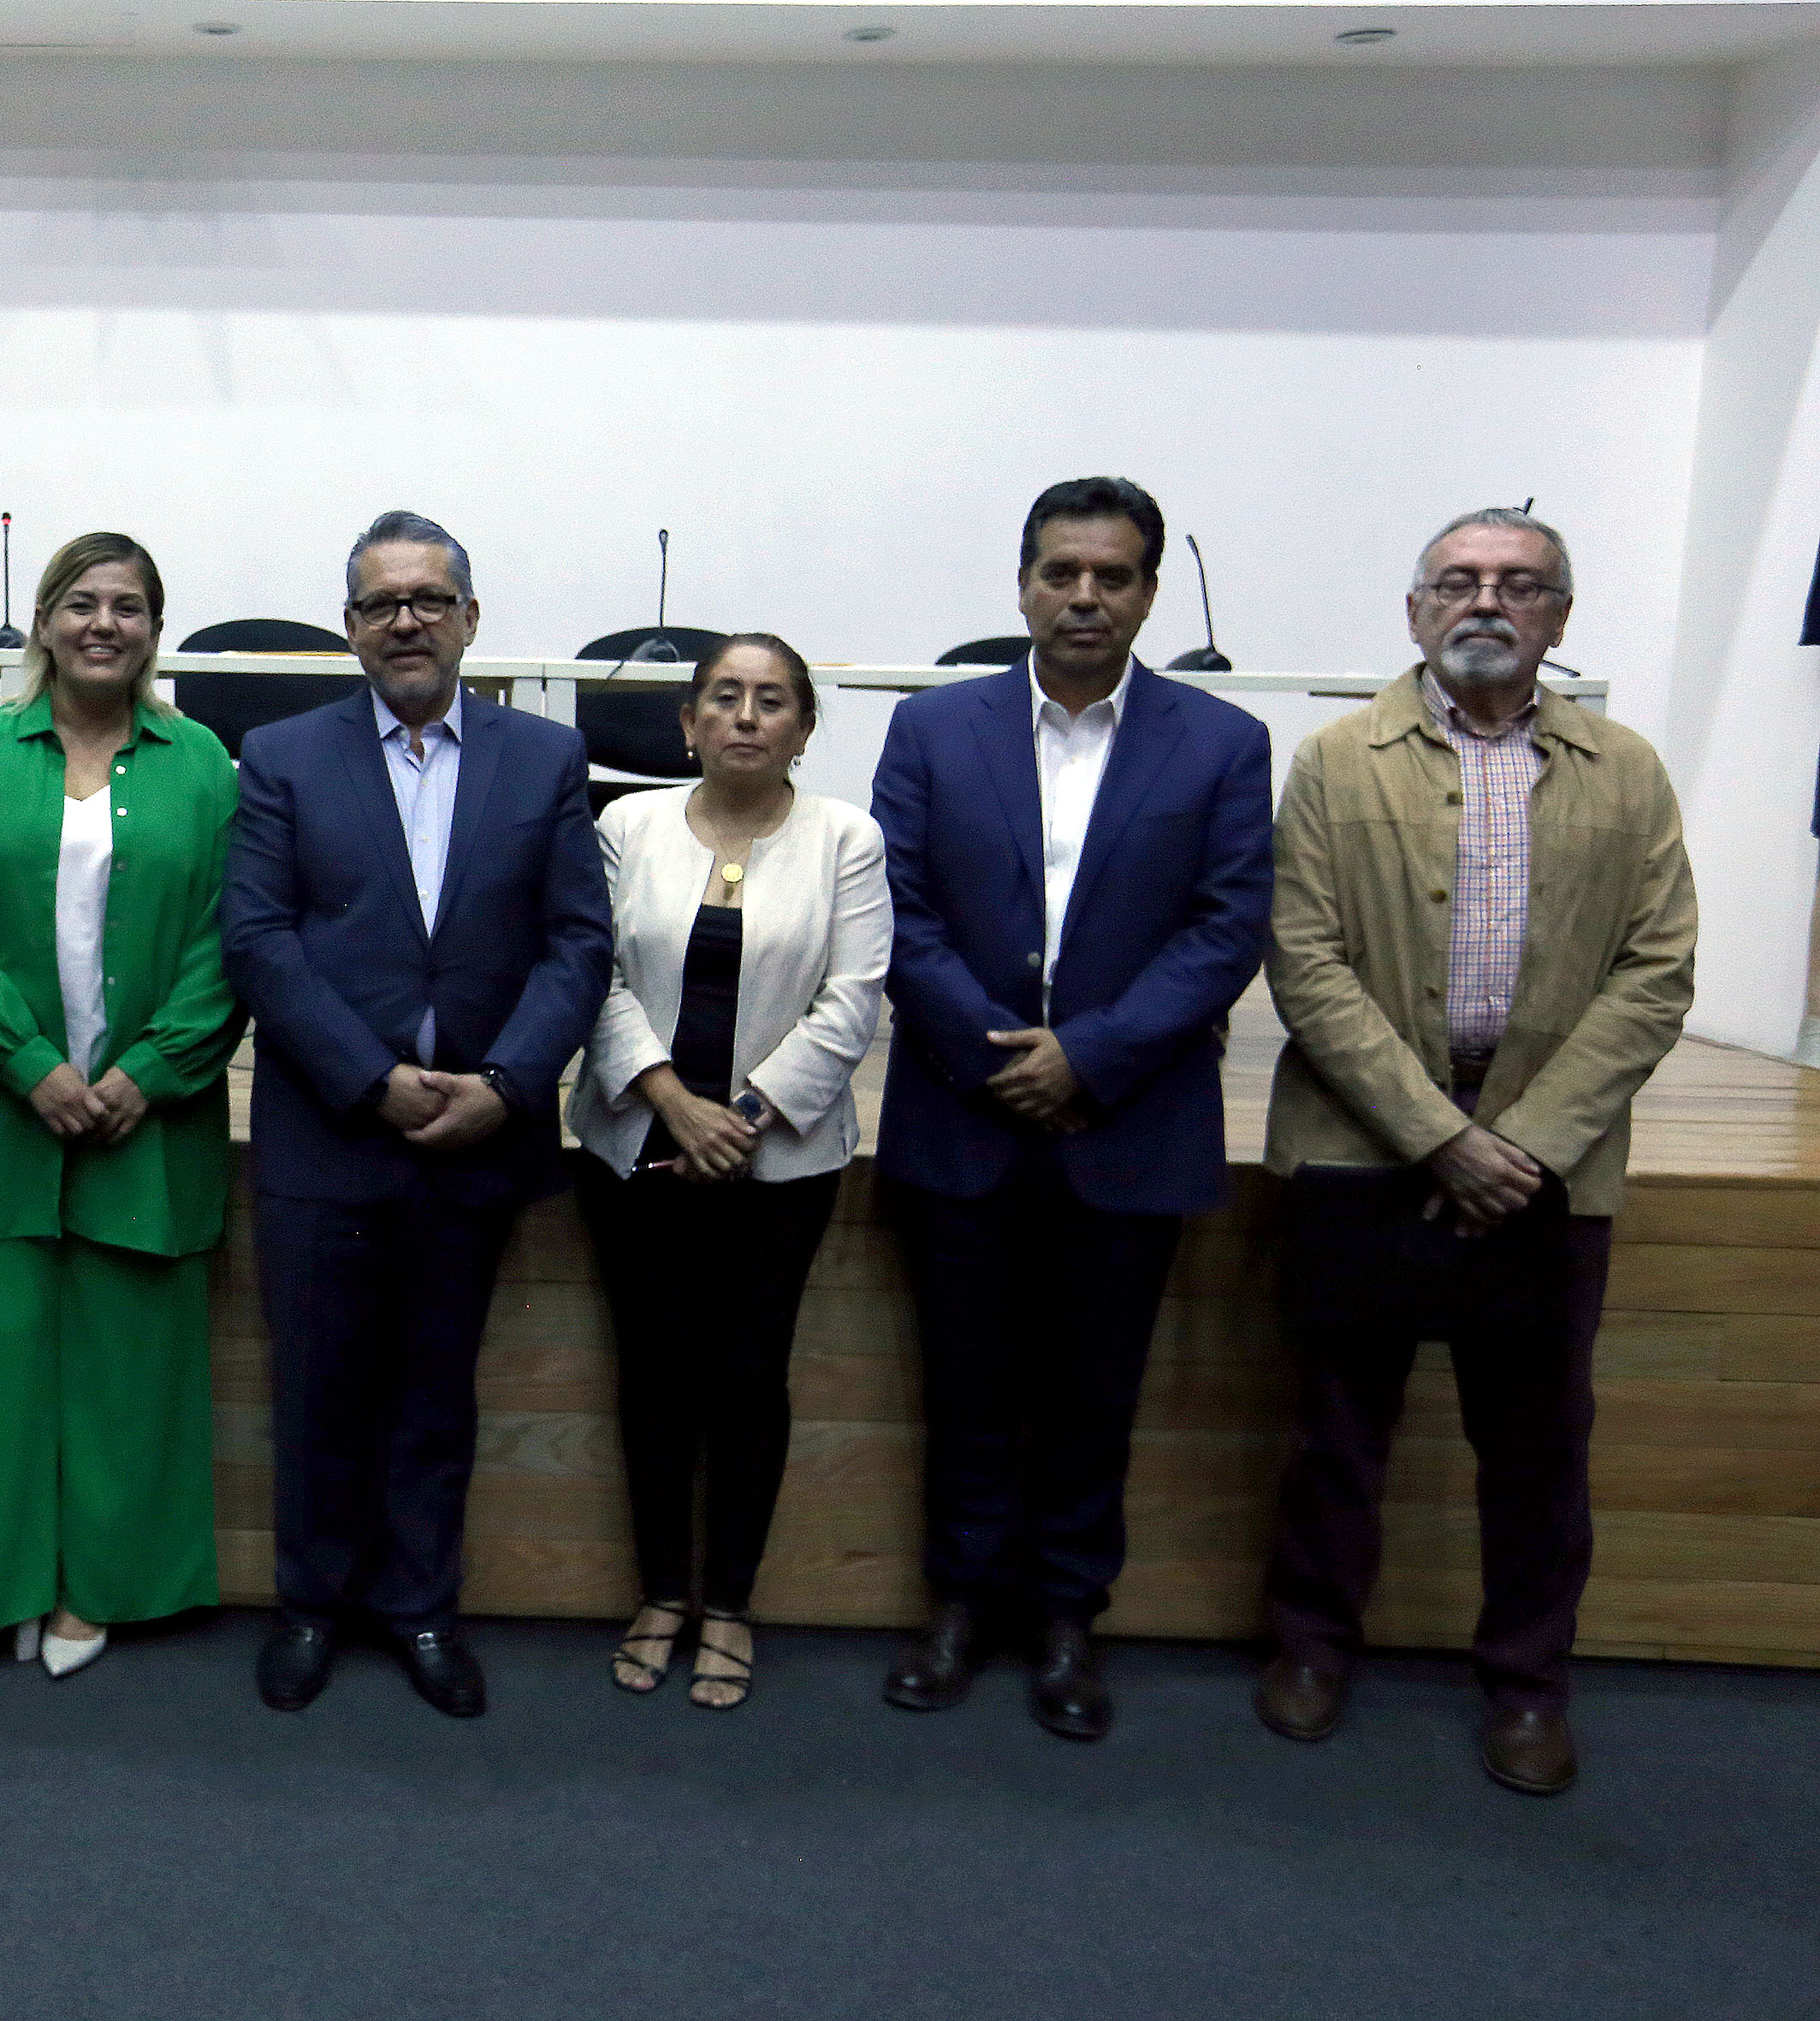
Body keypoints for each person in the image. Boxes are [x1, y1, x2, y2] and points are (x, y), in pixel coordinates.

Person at [1255, 508, 1694, 1796]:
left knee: (1538, 1449)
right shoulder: (1336, 761)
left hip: (1550, 1166)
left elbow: (1656, 971)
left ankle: (1526, 1683)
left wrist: (1527, 1141)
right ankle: (1309, 1646)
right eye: (1457, 580)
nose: (1485, 601)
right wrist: (1440, 1135)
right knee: (1336, 1433)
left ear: (1560, 616)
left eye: (1518, 583)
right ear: (1415, 610)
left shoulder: (1626, 770)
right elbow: (1304, 960)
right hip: (1362, 1148)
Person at [868, 476, 1272, 1740]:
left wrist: (1087, 1057)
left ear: (1147, 594)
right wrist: (1000, 1054)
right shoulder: (932, 728)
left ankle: (1064, 1620)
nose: (1083, 596)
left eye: (1111, 576)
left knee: (1095, 1396)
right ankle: (957, 1604)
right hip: (964, 1112)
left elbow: (1226, 929)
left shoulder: (1221, 742)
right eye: (1060, 572)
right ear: (1023, 585)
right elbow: (895, 910)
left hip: (1127, 1121)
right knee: (966, 1388)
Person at [224, 509, 612, 1717]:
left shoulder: (544, 757)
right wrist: (371, 1078)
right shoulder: (281, 754)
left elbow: (576, 941)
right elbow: (259, 939)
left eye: (429, 599)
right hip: (328, 1129)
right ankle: (308, 1607)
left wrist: (507, 1084)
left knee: (438, 1392)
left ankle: (421, 1610)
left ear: (470, 618)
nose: (407, 620)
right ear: (348, 627)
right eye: (381, 603)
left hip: (479, 1133)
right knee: (318, 1390)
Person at [0, 533, 243, 1680]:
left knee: (132, 1370)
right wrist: (28, 1062)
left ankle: (99, 1589)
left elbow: (230, 938)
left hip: (149, 1118)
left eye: (128, 606)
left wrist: (151, 1071)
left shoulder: (203, 765)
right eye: (80, 603)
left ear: (154, 629)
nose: (103, 624)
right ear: (42, 621)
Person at [568, 633, 890, 1710]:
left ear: (803, 728)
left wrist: (743, 1119)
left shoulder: (847, 838)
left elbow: (853, 998)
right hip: (636, 1142)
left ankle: (732, 1605)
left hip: (781, 1158)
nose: (746, 716)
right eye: (724, 697)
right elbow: (594, 974)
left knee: (750, 1377)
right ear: (688, 722)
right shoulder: (627, 826)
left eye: (772, 700)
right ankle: (663, 1592)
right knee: (655, 1372)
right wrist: (673, 1101)